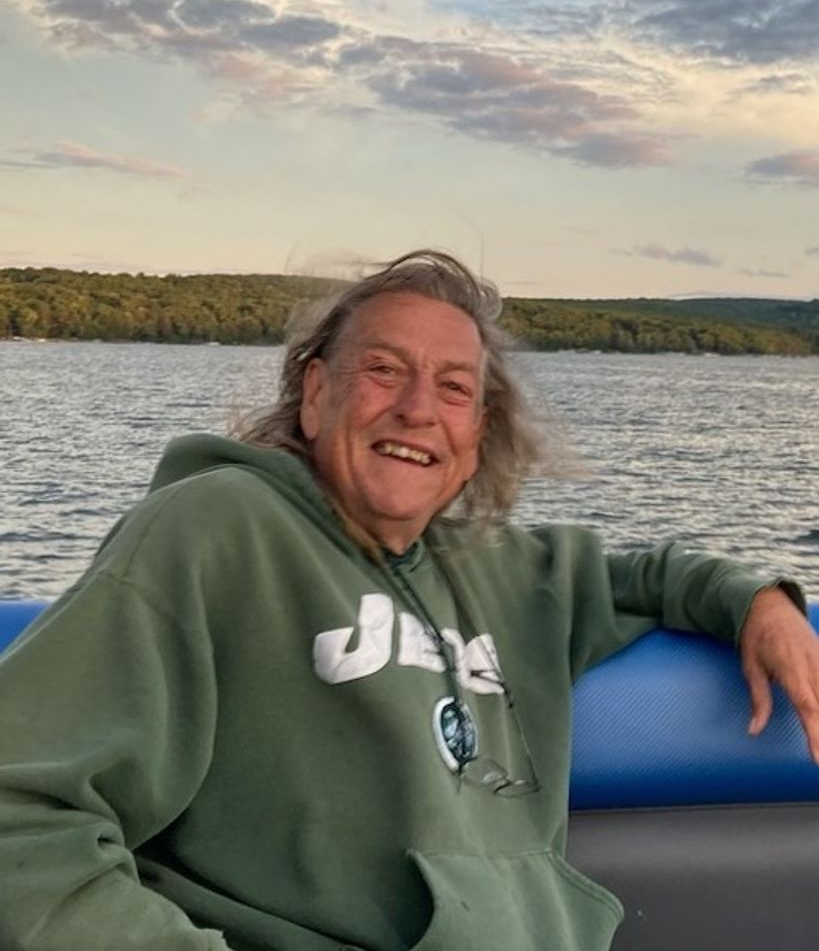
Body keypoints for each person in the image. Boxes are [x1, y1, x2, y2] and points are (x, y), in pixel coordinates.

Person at [0, 249, 817, 951]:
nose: (418, 409)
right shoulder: (215, 529)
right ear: (315, 394)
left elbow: (653, 575)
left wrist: (759, 602)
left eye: (453, 388)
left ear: (477, 435)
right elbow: (21, 811)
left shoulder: (508, 572)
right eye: (383, 370)